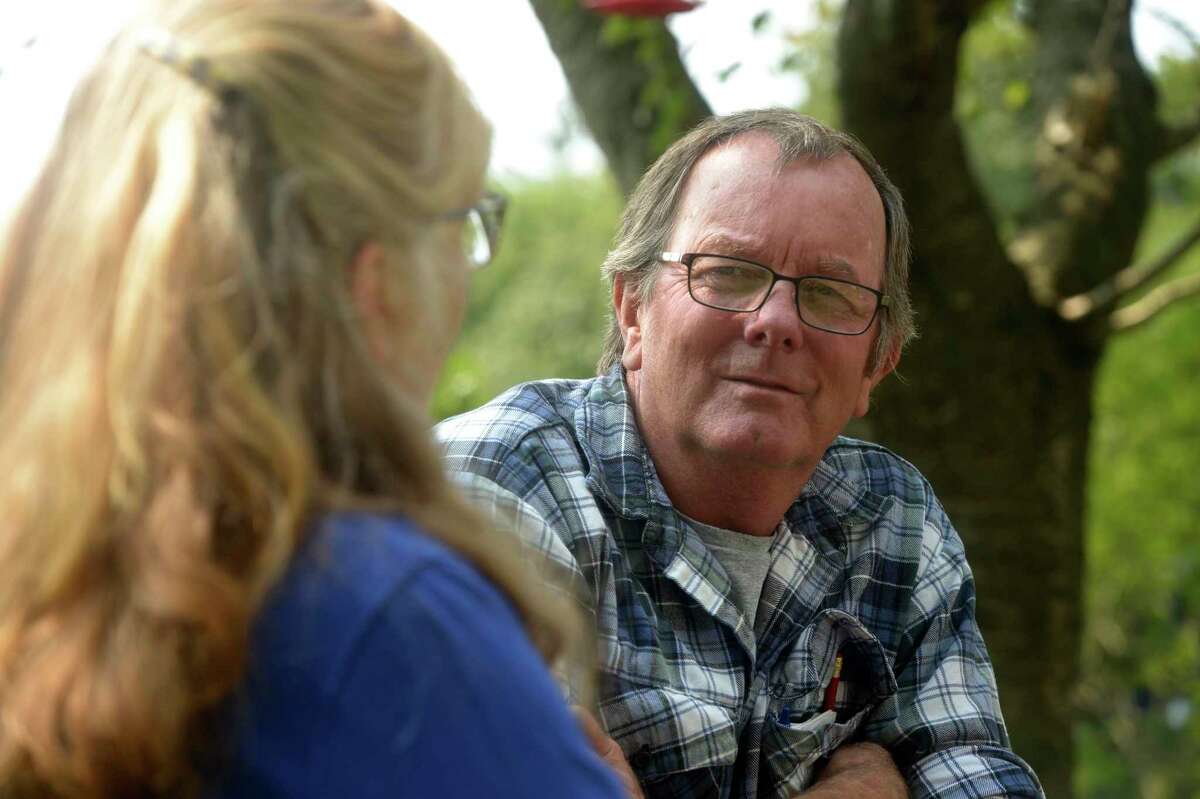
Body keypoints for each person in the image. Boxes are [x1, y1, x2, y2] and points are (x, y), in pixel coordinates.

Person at [0, 2, 627, 797]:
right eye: (463, 222)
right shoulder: (389, 616)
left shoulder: (50, 566)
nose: (470, 272)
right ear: (375, 284)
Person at [438, 109, 1045, 798]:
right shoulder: (499, 486)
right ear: (631, 309)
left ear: (877, 363)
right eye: (728, 273)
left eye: (830, 292)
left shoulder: (894, 521)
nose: (776, 322)